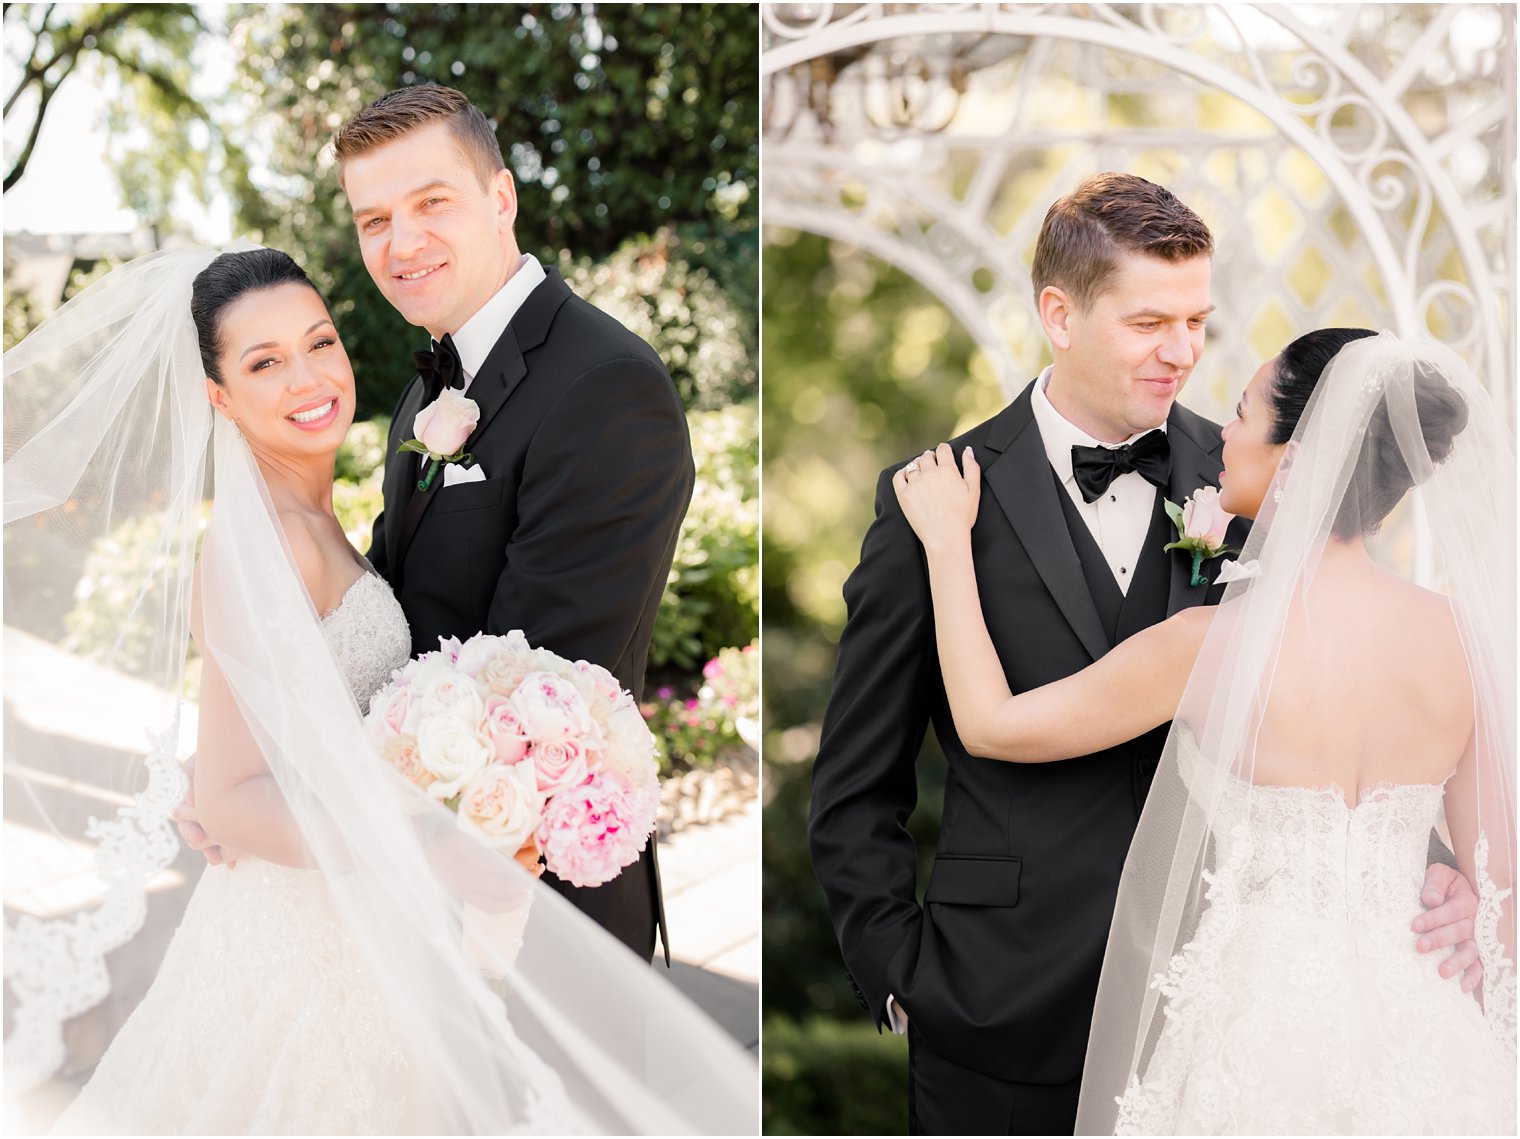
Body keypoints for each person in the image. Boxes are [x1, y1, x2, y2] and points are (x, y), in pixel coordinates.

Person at [2, 246, 753, 1134]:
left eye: (319, 342)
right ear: (218, 395)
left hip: (373, 931)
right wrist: (428, 838)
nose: (309, 376)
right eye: (264, 362)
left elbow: (292, 716)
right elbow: (231, 801)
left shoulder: (324, 516)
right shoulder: (263, 541)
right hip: (306, 950)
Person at [806, 174, 1484, 1136]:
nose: (1181, 353)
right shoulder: (937, 497)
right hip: (998, 1008)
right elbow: (855, 777)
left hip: (1234, 1019)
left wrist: (1439, 872)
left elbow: (1344, 708)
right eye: (1148, 321)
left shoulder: (1264, 474)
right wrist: (899, 971)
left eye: (1198, 320)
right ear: (1061, 314)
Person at [176, 84, 692, 963]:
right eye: (373, 219)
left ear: (501, 199)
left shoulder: (606, 387)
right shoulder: (427, 392)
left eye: (431, 203)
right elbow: (383, 620)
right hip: (411, 908)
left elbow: (538, 697)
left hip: (535, 917)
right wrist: (244, 781)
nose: (401, 242)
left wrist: (263, 799)